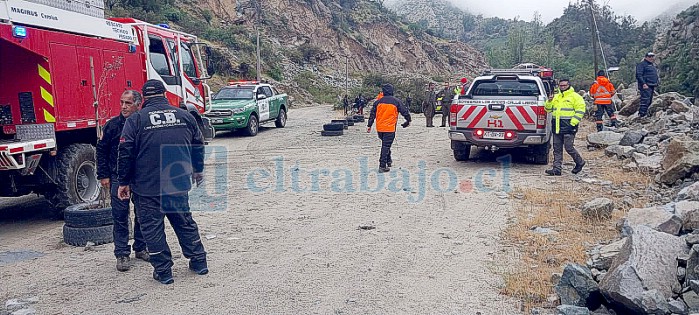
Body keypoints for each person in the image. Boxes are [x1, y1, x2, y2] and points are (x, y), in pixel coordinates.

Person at [117, 80, 207, 284]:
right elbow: (198, 144)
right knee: (184, 223)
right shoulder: (185, 115)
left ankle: (164, 272)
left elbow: (125, 153)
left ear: (144, 98)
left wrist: (123, 182)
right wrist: (197, 169)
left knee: (152, 228)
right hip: (177, 183)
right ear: (164, 94)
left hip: (147, 186)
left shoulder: (136, 120)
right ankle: (199, 262)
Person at [96, 90, 149, 272]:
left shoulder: (144, 123)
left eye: (128, 103)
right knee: (120, 216)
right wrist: (103, 175)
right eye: (122, 103)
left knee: (143, 213)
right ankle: (122, 254)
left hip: (140, 177)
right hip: (118, 177)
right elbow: (101, 151)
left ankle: (141, 248)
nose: (124, 107)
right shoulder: (112, 126)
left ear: (137, 104)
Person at [544, 79, 586, 176]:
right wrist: (549, 101)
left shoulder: (575, 97)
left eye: (564, 85)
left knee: (569, 148)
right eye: (560, 85)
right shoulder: (556, 97)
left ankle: (580, 162)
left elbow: (580, 110)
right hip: (557, 127)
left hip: (569, 127)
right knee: (557, 149)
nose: (562, 87)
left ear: (569, 85)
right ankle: (556, 169)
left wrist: (573, 123)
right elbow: (548, 109)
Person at [366, 83, 411, 173]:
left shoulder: (378, 102)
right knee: (386, 145)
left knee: (385, 144)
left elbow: (372, 115)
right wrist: (408, 120)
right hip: (390, 128)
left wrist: (369, 125)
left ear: (383, 91)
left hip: (379, 128)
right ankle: (382, 165)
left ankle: (388, 160)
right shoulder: (396, 101)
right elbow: (404, 111)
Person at [636, 52, 659, 118]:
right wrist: (643, 83)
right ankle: (642, 114)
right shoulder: (641, 65)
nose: (651, 58)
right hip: (646, 85)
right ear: (646, 57)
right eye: (649, 56)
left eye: (652, 56)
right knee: (645, 100)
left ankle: (647, 114)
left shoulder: (652, 65)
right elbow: (638, 75)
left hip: (652, 85)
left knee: (650, 100)